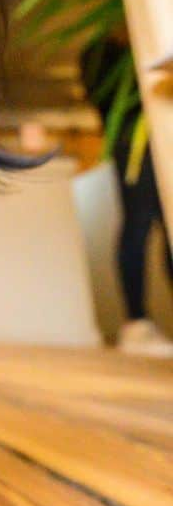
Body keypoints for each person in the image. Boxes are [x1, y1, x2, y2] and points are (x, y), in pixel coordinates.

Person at [81, 38, 173, 354]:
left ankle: (140, 324)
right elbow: (103, 99)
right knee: (138, 226)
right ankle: (136, 324)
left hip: (157, 139)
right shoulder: (102, 51)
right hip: (132, 145)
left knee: (164, 227)